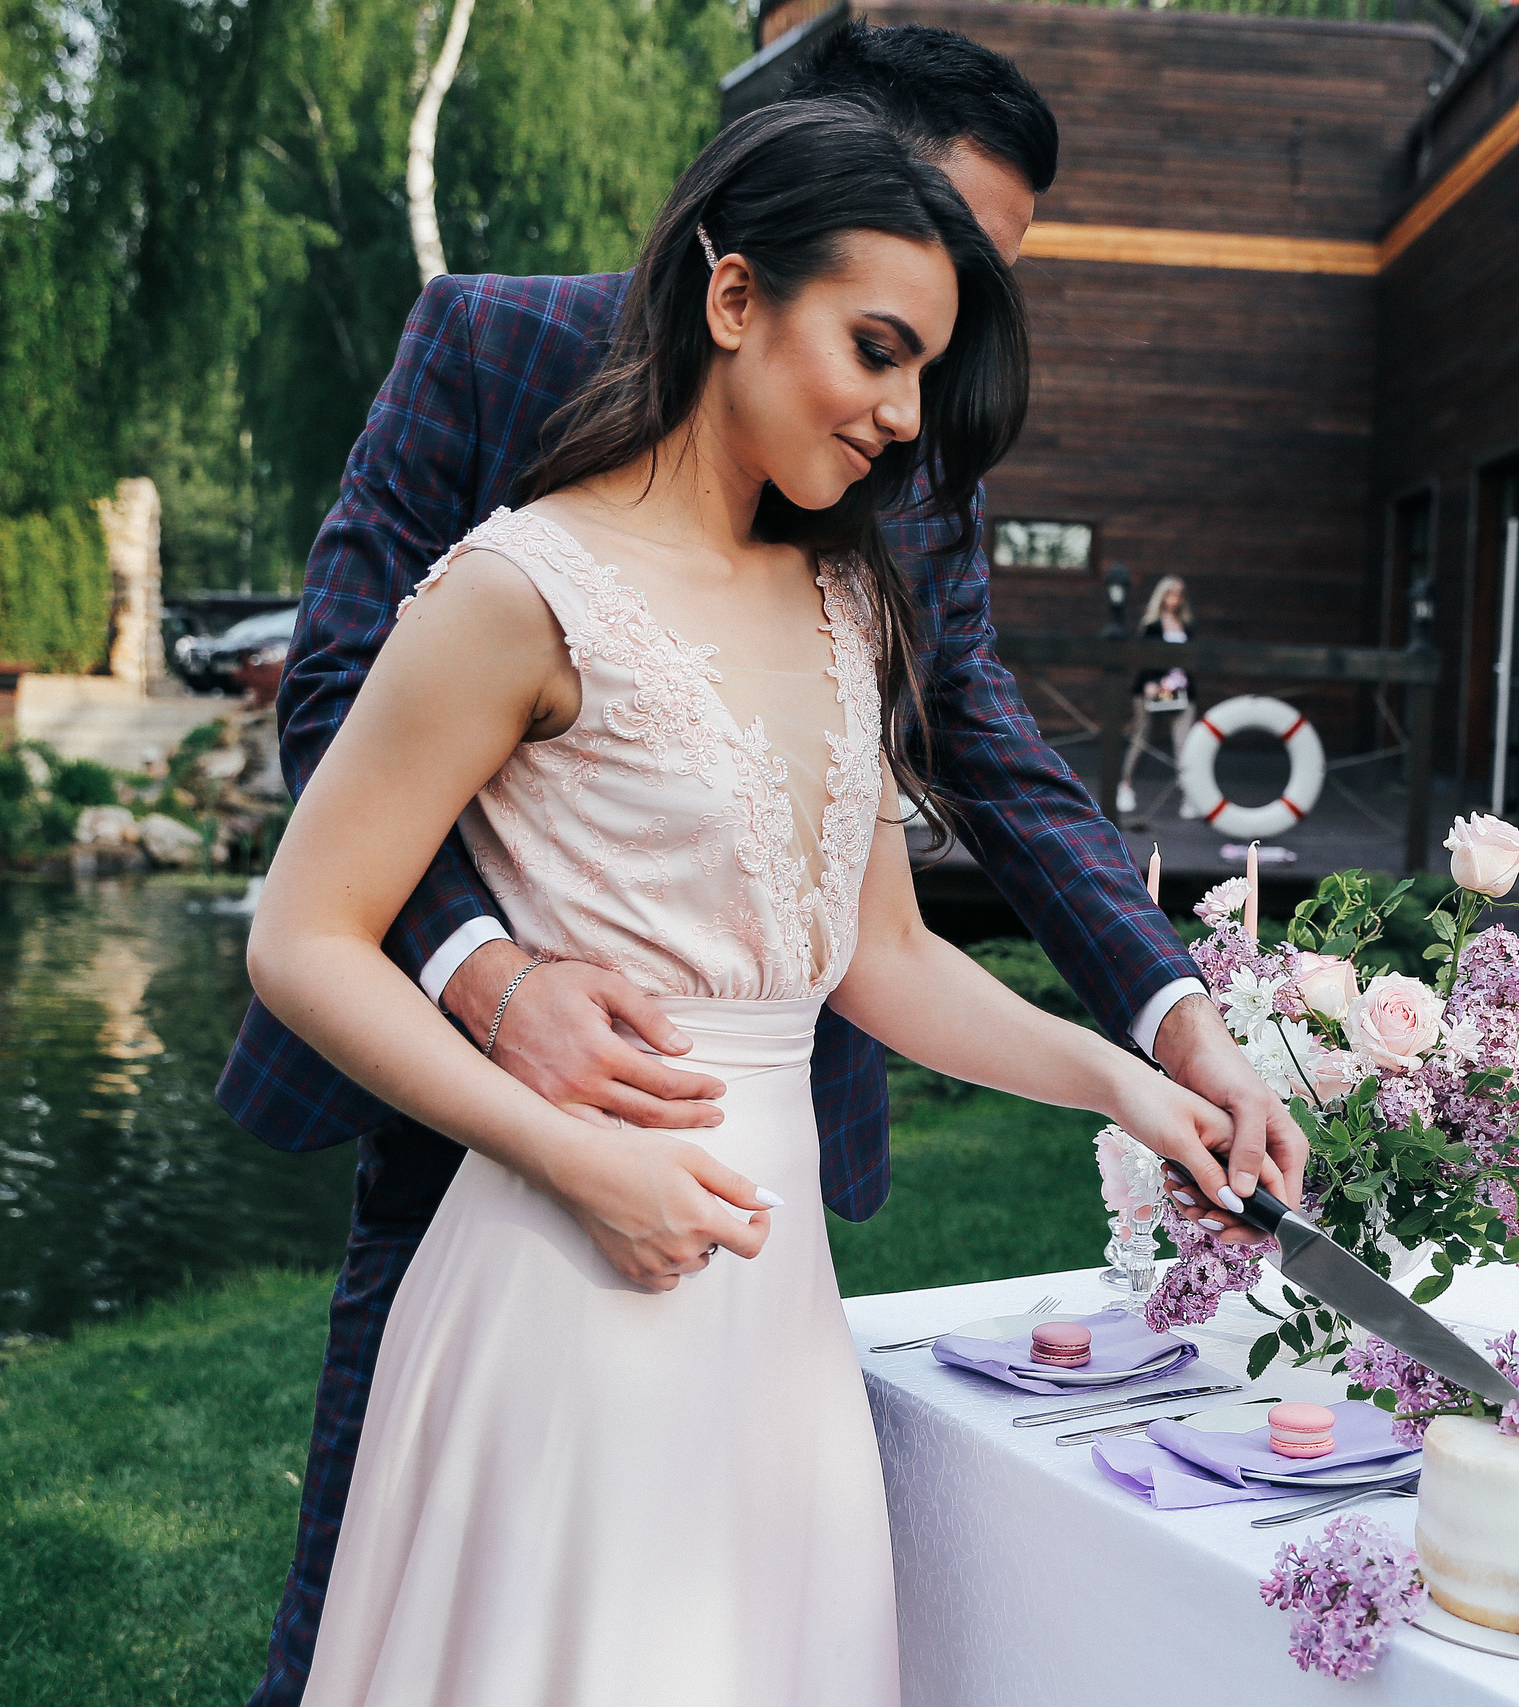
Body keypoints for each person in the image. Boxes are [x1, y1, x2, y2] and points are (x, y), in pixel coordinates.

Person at [217, 23, 1308, 1707]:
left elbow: (899, 921)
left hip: (767, 1279)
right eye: (887, 334)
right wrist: (497, 996)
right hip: (543, 1220)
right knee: (435, 1625)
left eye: (947, 337)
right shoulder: (517, 533)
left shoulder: (856, 571)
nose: (912, 406)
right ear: (748, 272)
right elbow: (326, 820)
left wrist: (1145, 1060)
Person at [1119, 573, 1196, 815]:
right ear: (1162, 596)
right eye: (1171, 594)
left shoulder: (1187, 626)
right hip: (1153, 690)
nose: (1176, 599)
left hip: (1182, 692)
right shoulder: (1151, 626)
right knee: (1141, 737)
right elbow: (1143, 659)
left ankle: (1189, 795)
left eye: (1180, 594)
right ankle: (1125, 786)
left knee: (1185, 744)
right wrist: (1150, 683)